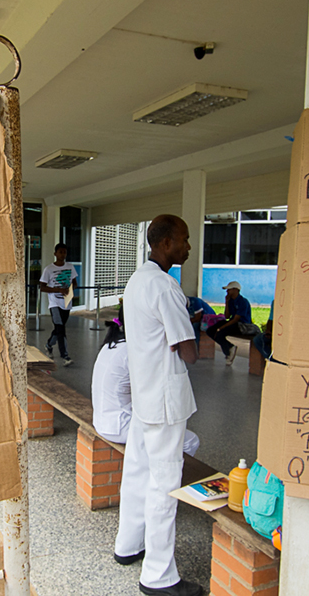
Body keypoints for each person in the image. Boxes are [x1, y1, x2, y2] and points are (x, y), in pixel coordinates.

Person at [114, 215, 203, 596]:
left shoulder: (137, 281)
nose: (187, 247)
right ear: (165, 243)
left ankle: (128, 545)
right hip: (165, 401)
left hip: (144, 395)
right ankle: (159, 576)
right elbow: (189, 353)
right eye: (183, 240)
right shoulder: (166, 287)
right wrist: (189, 330)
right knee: (165, 484)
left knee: (136, 471)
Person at [92, 306, 200, 457]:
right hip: (120, 427)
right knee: (190, 441)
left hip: (104, 420)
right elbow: (155, 392)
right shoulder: (133, 351)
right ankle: (172, 478)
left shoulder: (114, 343)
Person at [39, 243, 78, 367]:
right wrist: (58, 290)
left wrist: (69, 290)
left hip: (66, 302)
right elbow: (42, 287)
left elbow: (74, 283)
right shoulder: (48, 269)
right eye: (60, 252)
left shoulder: (70, 267)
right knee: (61, 329)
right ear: (55, 254)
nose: (63, 254)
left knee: (58, 329)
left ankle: (49, 345)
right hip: (54, 303)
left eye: (64, 252)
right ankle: (65, 356)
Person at [205, 281, 252, 366]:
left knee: (220, 333)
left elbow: (236, 319)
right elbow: (227, 316)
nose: (227, 292)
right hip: (232, 322)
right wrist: (226, 302)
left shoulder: (243, 302)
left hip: (242, 325)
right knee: (210, 330)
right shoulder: (231, 301)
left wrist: (222, 328)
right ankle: (230, 347)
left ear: (236, 290)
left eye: (229, 290)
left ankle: (228, 352)